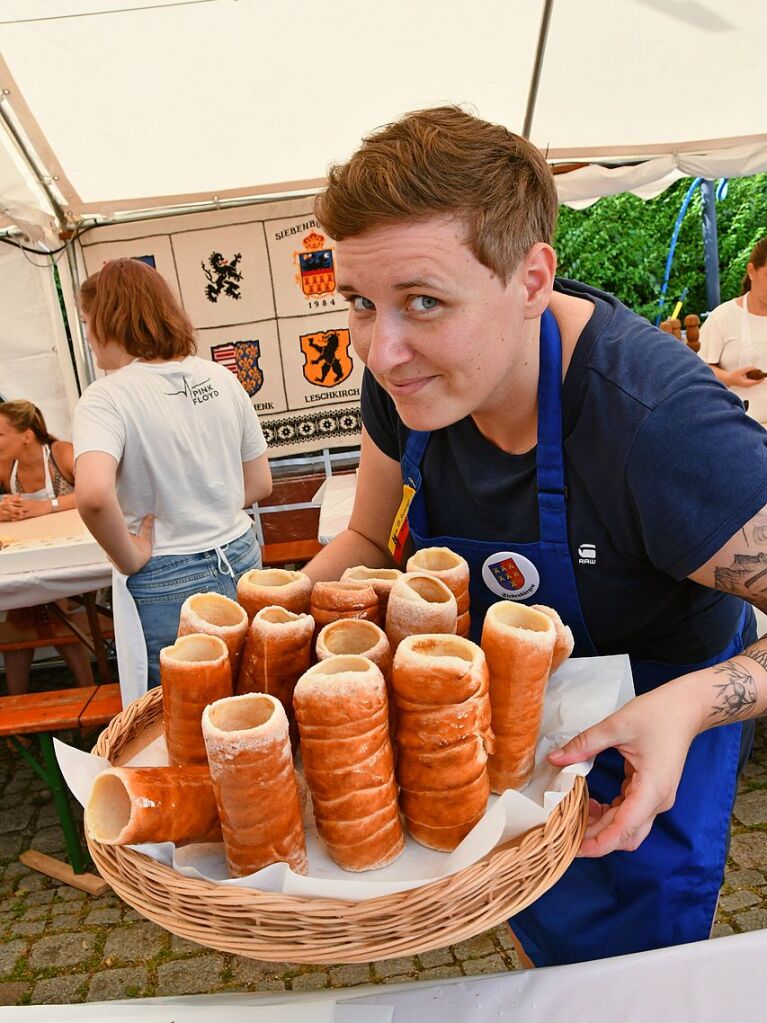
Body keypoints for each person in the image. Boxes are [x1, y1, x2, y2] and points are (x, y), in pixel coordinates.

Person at [303, 106, 767, 967]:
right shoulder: (406, 387)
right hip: (500, 742)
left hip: (648, 731)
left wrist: (695, 703)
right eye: (361, 304)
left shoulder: (657, 428)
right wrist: (287, 617)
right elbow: (367, 534)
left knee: (632, 977)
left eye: (423, 302)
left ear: (529, 279)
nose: (382, 349)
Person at [73, 258, 272, 688]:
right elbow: (259, 483)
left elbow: (91, 494)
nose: (88, 336)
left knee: (175, 721)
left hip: (165, 572)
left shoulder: (107, 397)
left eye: (88, 321)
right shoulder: (221, 377)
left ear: (109, 320)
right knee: (251, 699)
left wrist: (128, 555)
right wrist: (204, 501)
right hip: (241, 555)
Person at [0, 400, 95, 694]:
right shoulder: (6, 466)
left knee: (45, 606)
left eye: (0, 435)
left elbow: (98, 489)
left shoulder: (61, 453)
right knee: (26, 607)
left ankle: (85, 690)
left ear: (26, 435)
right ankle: (86, 689)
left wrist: (47, 506)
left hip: (77, 558)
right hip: (35, 557)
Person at [699, 236, 767, 424]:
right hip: (739, 427)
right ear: (751, 271)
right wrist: (730, 378)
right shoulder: (723, 316)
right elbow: (698, 370)